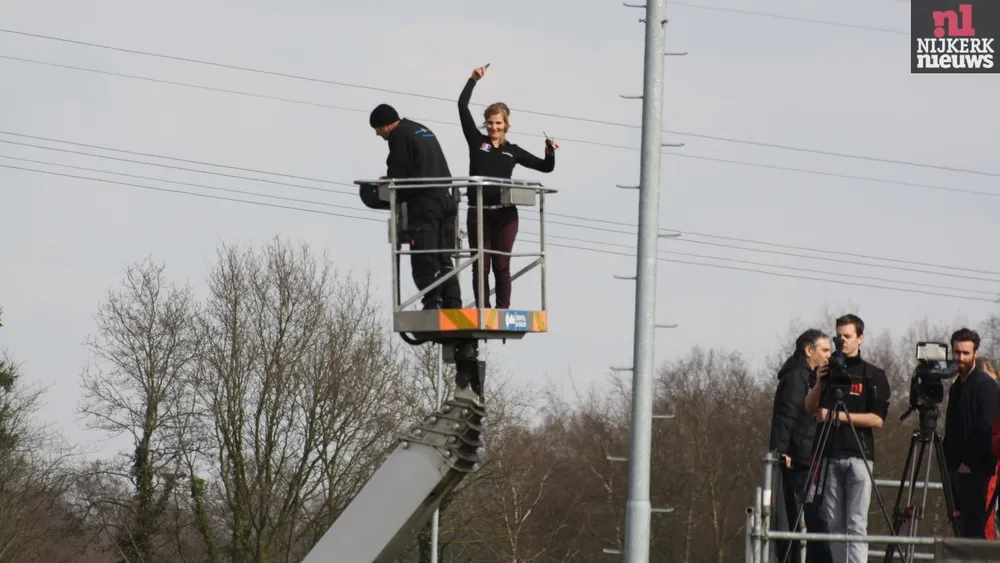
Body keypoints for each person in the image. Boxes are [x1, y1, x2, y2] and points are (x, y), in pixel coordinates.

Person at [457, 64, 559, 309]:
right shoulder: (476, 141)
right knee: (480, 265)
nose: (494, 127)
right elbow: (461, 105)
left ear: (505, 124)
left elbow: (545, 167)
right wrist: (473, 80)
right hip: (478, 212)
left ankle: (502, 311)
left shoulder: (512, 151)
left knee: (501, 264)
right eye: (490, 123)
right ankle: (484, 310)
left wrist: (549, 151)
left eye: (498, 123)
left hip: (505, 214)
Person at [803, 314, 891, 563]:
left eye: (848, 336)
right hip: (829, 453)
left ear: (860, 338)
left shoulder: (872, 374)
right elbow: (808, 406)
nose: (842, 341)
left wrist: (837, 416)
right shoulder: (826, 370)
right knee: (833, 522)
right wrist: (819, 383)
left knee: (856, 522)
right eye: (838, 336)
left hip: (859, 454)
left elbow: (878, 419)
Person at [369, 103, 462, 310]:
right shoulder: (420, 129)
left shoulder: (399, 135)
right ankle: (453, 304)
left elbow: (398, 171)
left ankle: (432, 304)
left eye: (377, 129)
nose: (377, 134)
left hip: (424, 202)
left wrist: (386, 185)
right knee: (444, 257)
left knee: (424, 256)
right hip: (446, 200)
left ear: (384, 125)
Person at [768, 328, 833, 563]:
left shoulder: (807, 376)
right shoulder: (797, 377)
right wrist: (781, 451)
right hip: (799, 459)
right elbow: (787, 416)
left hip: (807, 457)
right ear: (808, 351)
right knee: (813, 518)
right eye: (824, 350)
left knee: (813, 518)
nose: (829, 355)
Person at [943, 328, 998, 538]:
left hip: (978, 472)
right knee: (962, 529)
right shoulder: (956, 387)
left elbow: (987, 427)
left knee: (977, 530)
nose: (961, 358)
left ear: (975, 353)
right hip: (957, 470)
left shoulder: (986, 386)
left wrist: (969, 463)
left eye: (966, 353)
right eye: (957, 352)